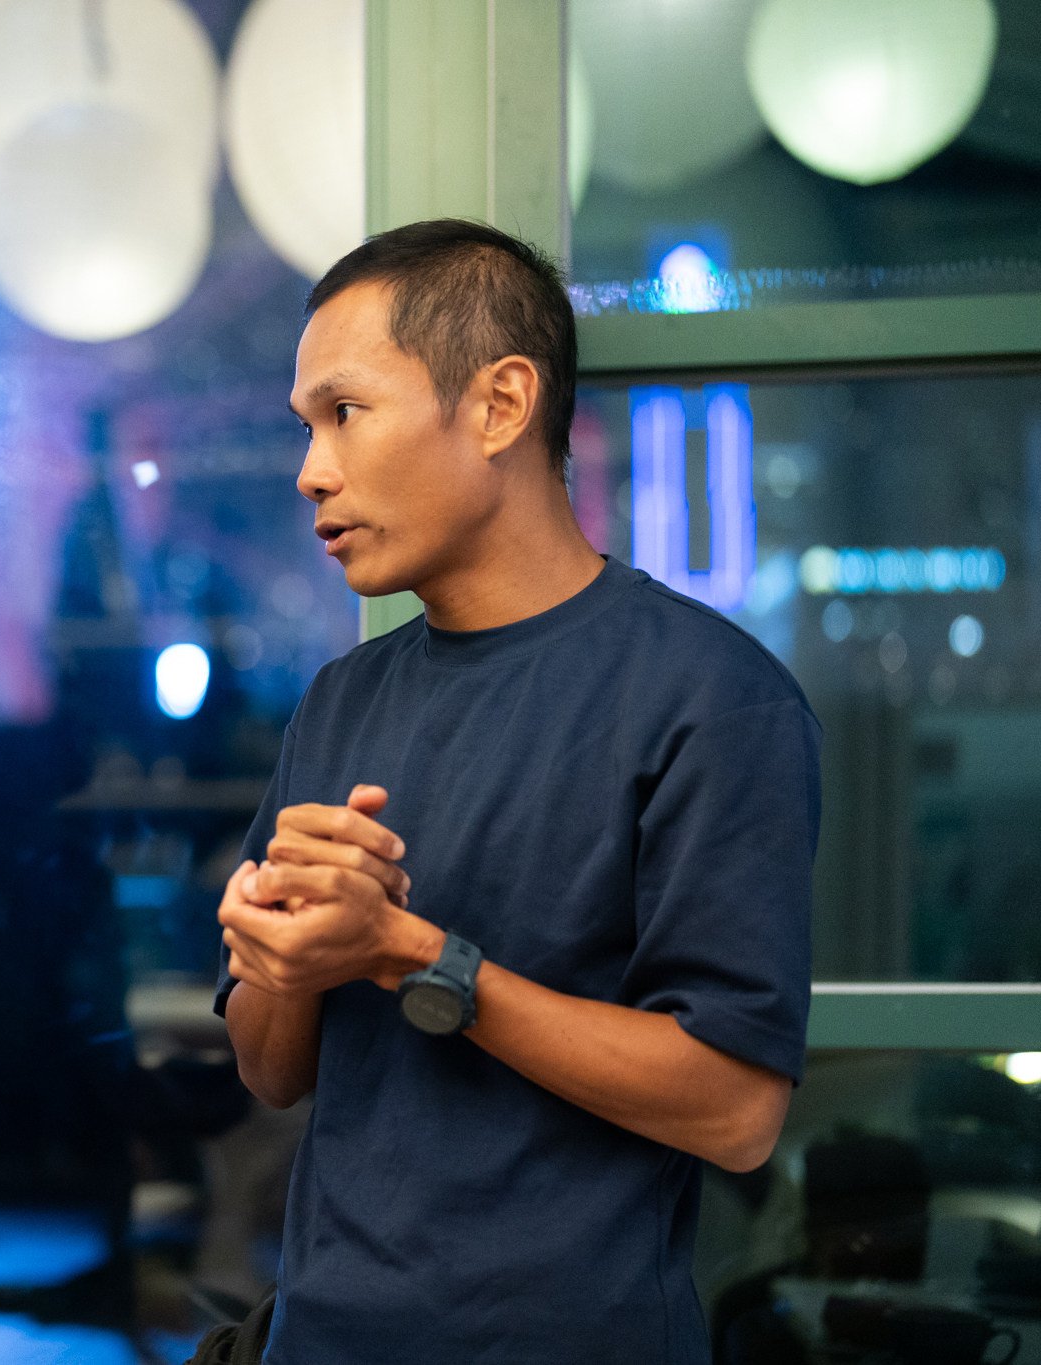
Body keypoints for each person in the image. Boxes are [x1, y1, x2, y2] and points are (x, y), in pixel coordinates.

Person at [213, 220, 820, 1363]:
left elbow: (734, 1114)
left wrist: (408, 954)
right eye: (304, 427)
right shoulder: (340, 702)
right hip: (319, 1339)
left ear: (497, 405)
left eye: (344, 413)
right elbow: (270, 1069)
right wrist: (274, 957)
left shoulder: (710, 699)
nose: (310, 469)